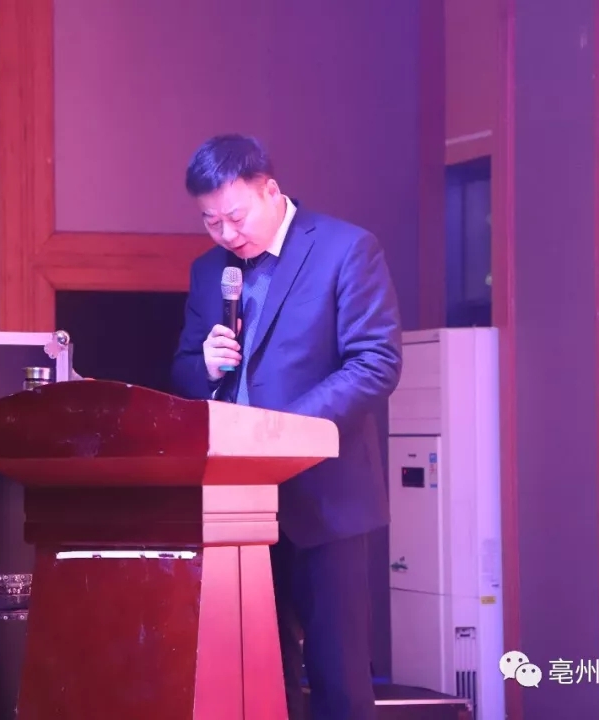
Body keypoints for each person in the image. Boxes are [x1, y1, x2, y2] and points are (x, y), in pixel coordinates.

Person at [171, 134, 403, 720]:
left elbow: (375, 362)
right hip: (236, 508)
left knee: (338, 680)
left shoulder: (345, 249)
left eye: (235, 217)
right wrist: (205, 366)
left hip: (325, 499)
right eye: (210, 222)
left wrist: (280, 431)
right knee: (256, 680)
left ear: (271, 191)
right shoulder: (209, 271)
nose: (226, 234)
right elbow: (182, 371)